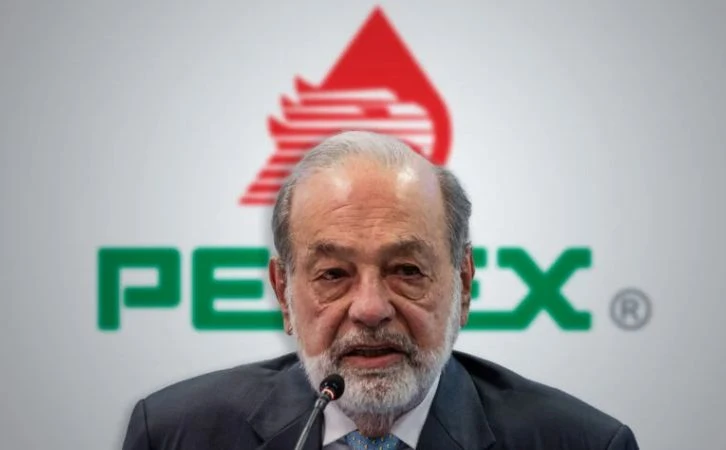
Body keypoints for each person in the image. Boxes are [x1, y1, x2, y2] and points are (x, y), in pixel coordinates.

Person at [122, 131, 639, 449]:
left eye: (407, 270)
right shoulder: (174, 434)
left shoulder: (583, 444)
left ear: (463, 285)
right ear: (284, 294)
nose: (370, 310)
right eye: (333, 275)